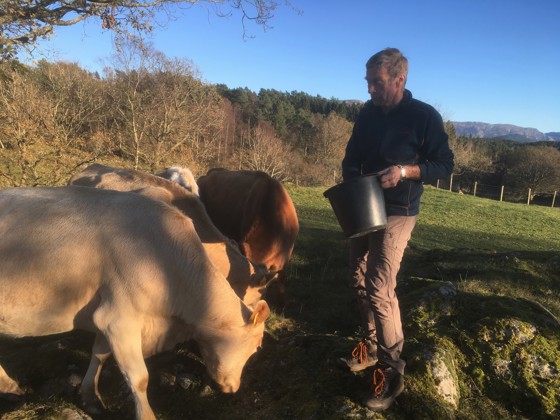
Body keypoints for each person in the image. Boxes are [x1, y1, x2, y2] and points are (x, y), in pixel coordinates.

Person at [338, 48, 454, 411]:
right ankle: (371, 347)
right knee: (357, 274)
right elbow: (352, 156)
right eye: (368, 82)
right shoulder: (367, 113)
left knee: (379, 285)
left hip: (399, 210)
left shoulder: (424, 117)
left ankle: (393, 372)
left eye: (377, 82)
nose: (370, 89)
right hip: (363, 204)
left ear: (400, 80)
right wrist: (351, 185)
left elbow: (444, 165)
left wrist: (404, 171)